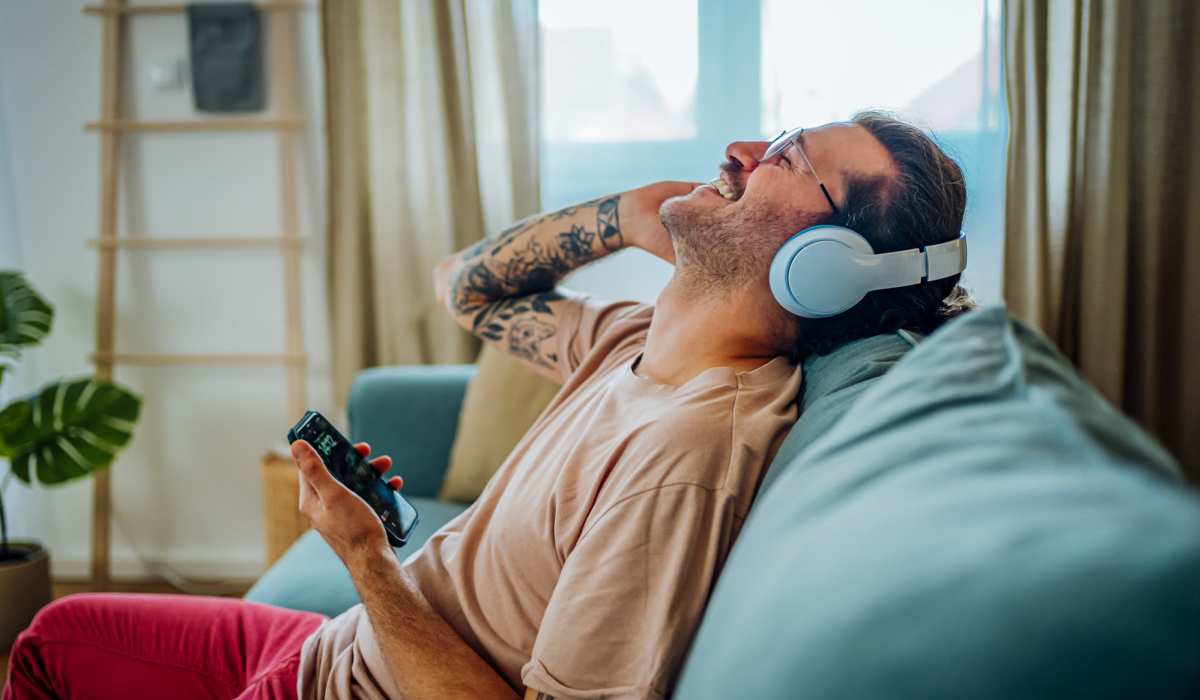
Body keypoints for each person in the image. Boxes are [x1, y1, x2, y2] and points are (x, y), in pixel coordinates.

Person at [4, 112, 970, 700]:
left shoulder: (686, 454)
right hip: (337, 649)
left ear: (829, 266)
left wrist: (364, 561)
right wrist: (620, 215)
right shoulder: (634, 341)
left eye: (789, 157)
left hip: (361, 674)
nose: (744, 148)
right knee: (53, 637)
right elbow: (464, 287)